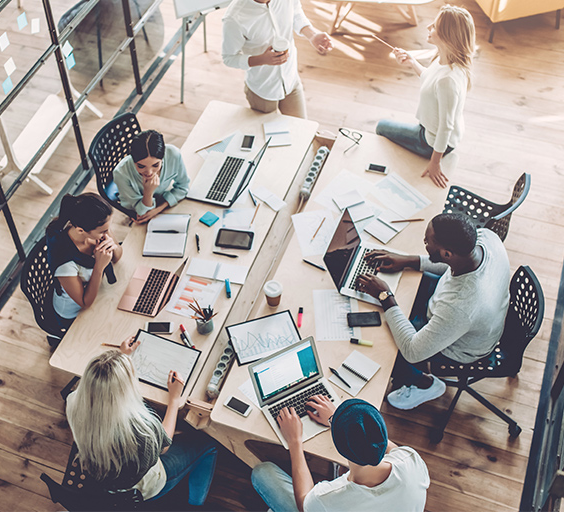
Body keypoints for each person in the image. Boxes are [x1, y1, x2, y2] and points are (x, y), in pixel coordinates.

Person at [356, 213, 510, 410]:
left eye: (427, 242)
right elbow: (451, 266)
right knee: (401, 298)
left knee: (385, 345)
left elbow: (413, 352)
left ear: (446, 254)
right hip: (456, 307)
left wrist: (385, 295)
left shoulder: (461, 305)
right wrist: (408, 260)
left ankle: (425, 383)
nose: (424, 243)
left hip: (461, 346)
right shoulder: (486, 238)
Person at [66, 336, 219, 504]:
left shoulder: (73, 401)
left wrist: (120, 358)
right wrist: (174, 399)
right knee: (209, 444)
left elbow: (102, 387)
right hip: (144, 488)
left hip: (101, 476)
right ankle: (196, 503)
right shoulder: (140, 429)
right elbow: (165, 445)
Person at [251, 397, 430, 512]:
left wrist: (295, 441)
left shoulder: (330, 498)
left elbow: (304, 503)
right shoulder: (411, 459)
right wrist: (336, 419)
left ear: (339, 446)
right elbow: (378, 440)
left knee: (262, 472)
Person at [222, 0, 333, 119]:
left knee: (301, 130)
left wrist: (312, 35)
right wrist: (261, 60)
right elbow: (229, 58)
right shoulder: (235, 18)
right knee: (269, 138)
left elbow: (296, 13)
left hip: (291, 80)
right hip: (262, 89)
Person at [375, 4, 476, 188]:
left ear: (447, 36)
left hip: (430, 141)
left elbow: (445, 127)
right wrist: (412, 62)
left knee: (381, 127)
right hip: (437, 132)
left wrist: (435, 162)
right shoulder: (446, 59)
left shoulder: (448, 81)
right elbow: (431, 81)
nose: (428, 27)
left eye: (434, 26)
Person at [46, 193, 122, 329]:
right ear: (81, 230)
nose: (107, 233)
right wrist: (99, 266)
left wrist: (113, 246)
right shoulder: (65, 263)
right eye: (104, 231)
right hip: (74, 313)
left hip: (98, 292)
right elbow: (84, 302)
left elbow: (117, 256)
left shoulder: (96, 228)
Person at [113, 129, 190, 224]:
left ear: (163, 158)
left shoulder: (173, 154)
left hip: (160, 202)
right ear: (133, 160)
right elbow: (142, 213)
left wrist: (158, 209)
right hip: (136, 207)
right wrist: (148, 192)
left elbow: (183, 187)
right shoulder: (121, 173)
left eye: (155, 165)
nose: (149, 173)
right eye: (141, 166)